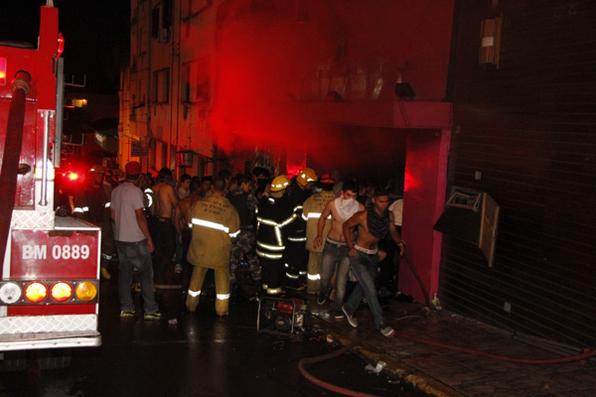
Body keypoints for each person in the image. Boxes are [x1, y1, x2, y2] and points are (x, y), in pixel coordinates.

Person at [341, 186, 405, 337]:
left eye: (386, 201)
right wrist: (350, 246)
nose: (384, 204)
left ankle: (349, 308)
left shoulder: (388, 215)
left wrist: (400, 243)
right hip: (359, 254)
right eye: (381, 201)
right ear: (374, 200)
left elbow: (393, 231)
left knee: (364, 286)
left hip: (373, 255)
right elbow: (346, 226)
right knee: (370, 289)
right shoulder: (362, 216)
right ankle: (380, 323)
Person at [111, 161, 160, 320]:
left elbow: (113, 216)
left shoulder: (116, 191)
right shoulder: (136, 192)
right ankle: (150, 310)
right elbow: (140, 216)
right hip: (135, 240)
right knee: (146, 275)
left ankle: (126, 308)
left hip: (121, 239)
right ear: (139, 176)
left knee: (125, 274)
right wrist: (149, 239)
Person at [186, 176, 240, 316]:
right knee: (222, 280)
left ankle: (191, 305)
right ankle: (221, 310)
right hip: (219, 252)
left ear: (212, 188)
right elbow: (234, 234)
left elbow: (190, 225)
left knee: (196, 277)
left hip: (199, 250)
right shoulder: (230, 210)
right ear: (225, 190)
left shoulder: (198, 205)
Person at [314, 180, 363, 318]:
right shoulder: (333, 204)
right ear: (342, 193)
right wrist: (319, 235)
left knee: (341, 283)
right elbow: (323, 218)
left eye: (354, 196)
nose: (351, 199)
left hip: (347, 247)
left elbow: (363, 227)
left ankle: (336, 308)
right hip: (331, 245)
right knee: (324, 277)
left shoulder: (359, 208)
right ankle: (323, 292)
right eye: (348, 195)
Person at [255, 175, 295, 295]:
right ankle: (272, 298)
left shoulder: (263, 202)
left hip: (261, 245)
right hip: (275, 248)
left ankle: (263, 295)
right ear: (283, 190)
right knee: (275, 273)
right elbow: (289, 227)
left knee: (265, 272)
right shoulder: (284, 207)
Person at [73, 165, 114, 280]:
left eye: (101, 174)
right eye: (98, 174)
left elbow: (110, 206)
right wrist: (80, 224)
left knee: (108, 246)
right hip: (88, 223)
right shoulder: (82, 189)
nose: (100, 177)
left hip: (104, 222)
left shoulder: (107, 188)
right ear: (91, 175)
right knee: (89, 247)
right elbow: (78, 208)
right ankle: (89, 268)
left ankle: (104, 267)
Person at [302, 173, 336, 294]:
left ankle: (312, 290)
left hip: (313, 240)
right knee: (328, 268)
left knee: (313, 267)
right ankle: (325, 291)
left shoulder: (311, 199)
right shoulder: (337, 201)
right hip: (331, 241)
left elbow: (304, 216)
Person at [284, 167, 317, 287]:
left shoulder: (297, 190)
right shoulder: (298, 194)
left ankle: (299, 279)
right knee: (296, 258)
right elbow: (299, 215)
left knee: (299, 258)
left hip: (297, 231)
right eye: (311, 183)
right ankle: (292, 283)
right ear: (305, 181)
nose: (312, 186)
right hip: (296, 232)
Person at [227, 174, 260, 291]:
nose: (249, 187)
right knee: (252, 258)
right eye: (248, 185)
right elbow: (257, 210)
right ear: (243, 184)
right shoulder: (249, 197)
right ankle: (257, 281)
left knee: (232, 258)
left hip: (233, 232)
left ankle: (230, 282)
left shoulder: (230, 196)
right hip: (246, 233)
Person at [174, 176, 202, 288]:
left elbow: (176, 219)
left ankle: (184, 285)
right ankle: (194, 285)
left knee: (186, 260)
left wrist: (179, 233)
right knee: (197, 261)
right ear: (199, 188)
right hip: (198, 233)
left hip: (186, 232)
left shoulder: (183, 202)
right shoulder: (202, 202)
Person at [152, 168, 178, 283]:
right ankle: (161, 272)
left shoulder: (154, 188)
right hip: (166, 221)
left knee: (158, 248)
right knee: (169, 247)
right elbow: (176, 204)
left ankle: (156, 272)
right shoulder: (167, 188)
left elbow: (152, 208)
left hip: (156, 221)